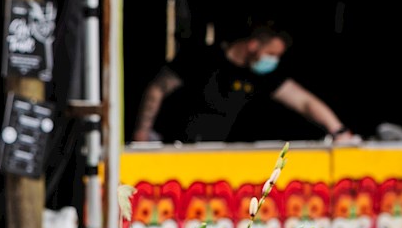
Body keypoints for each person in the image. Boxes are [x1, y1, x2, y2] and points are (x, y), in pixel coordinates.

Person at [133, 25, 358, 145]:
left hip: (217, 154)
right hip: (174, 147)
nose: (273, 61)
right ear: (252, 45)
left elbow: (303, 101)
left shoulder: (261, 75)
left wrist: (339, 131)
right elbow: (157, 89)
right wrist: (142, 134)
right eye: (271, 53)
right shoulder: (201, 58)